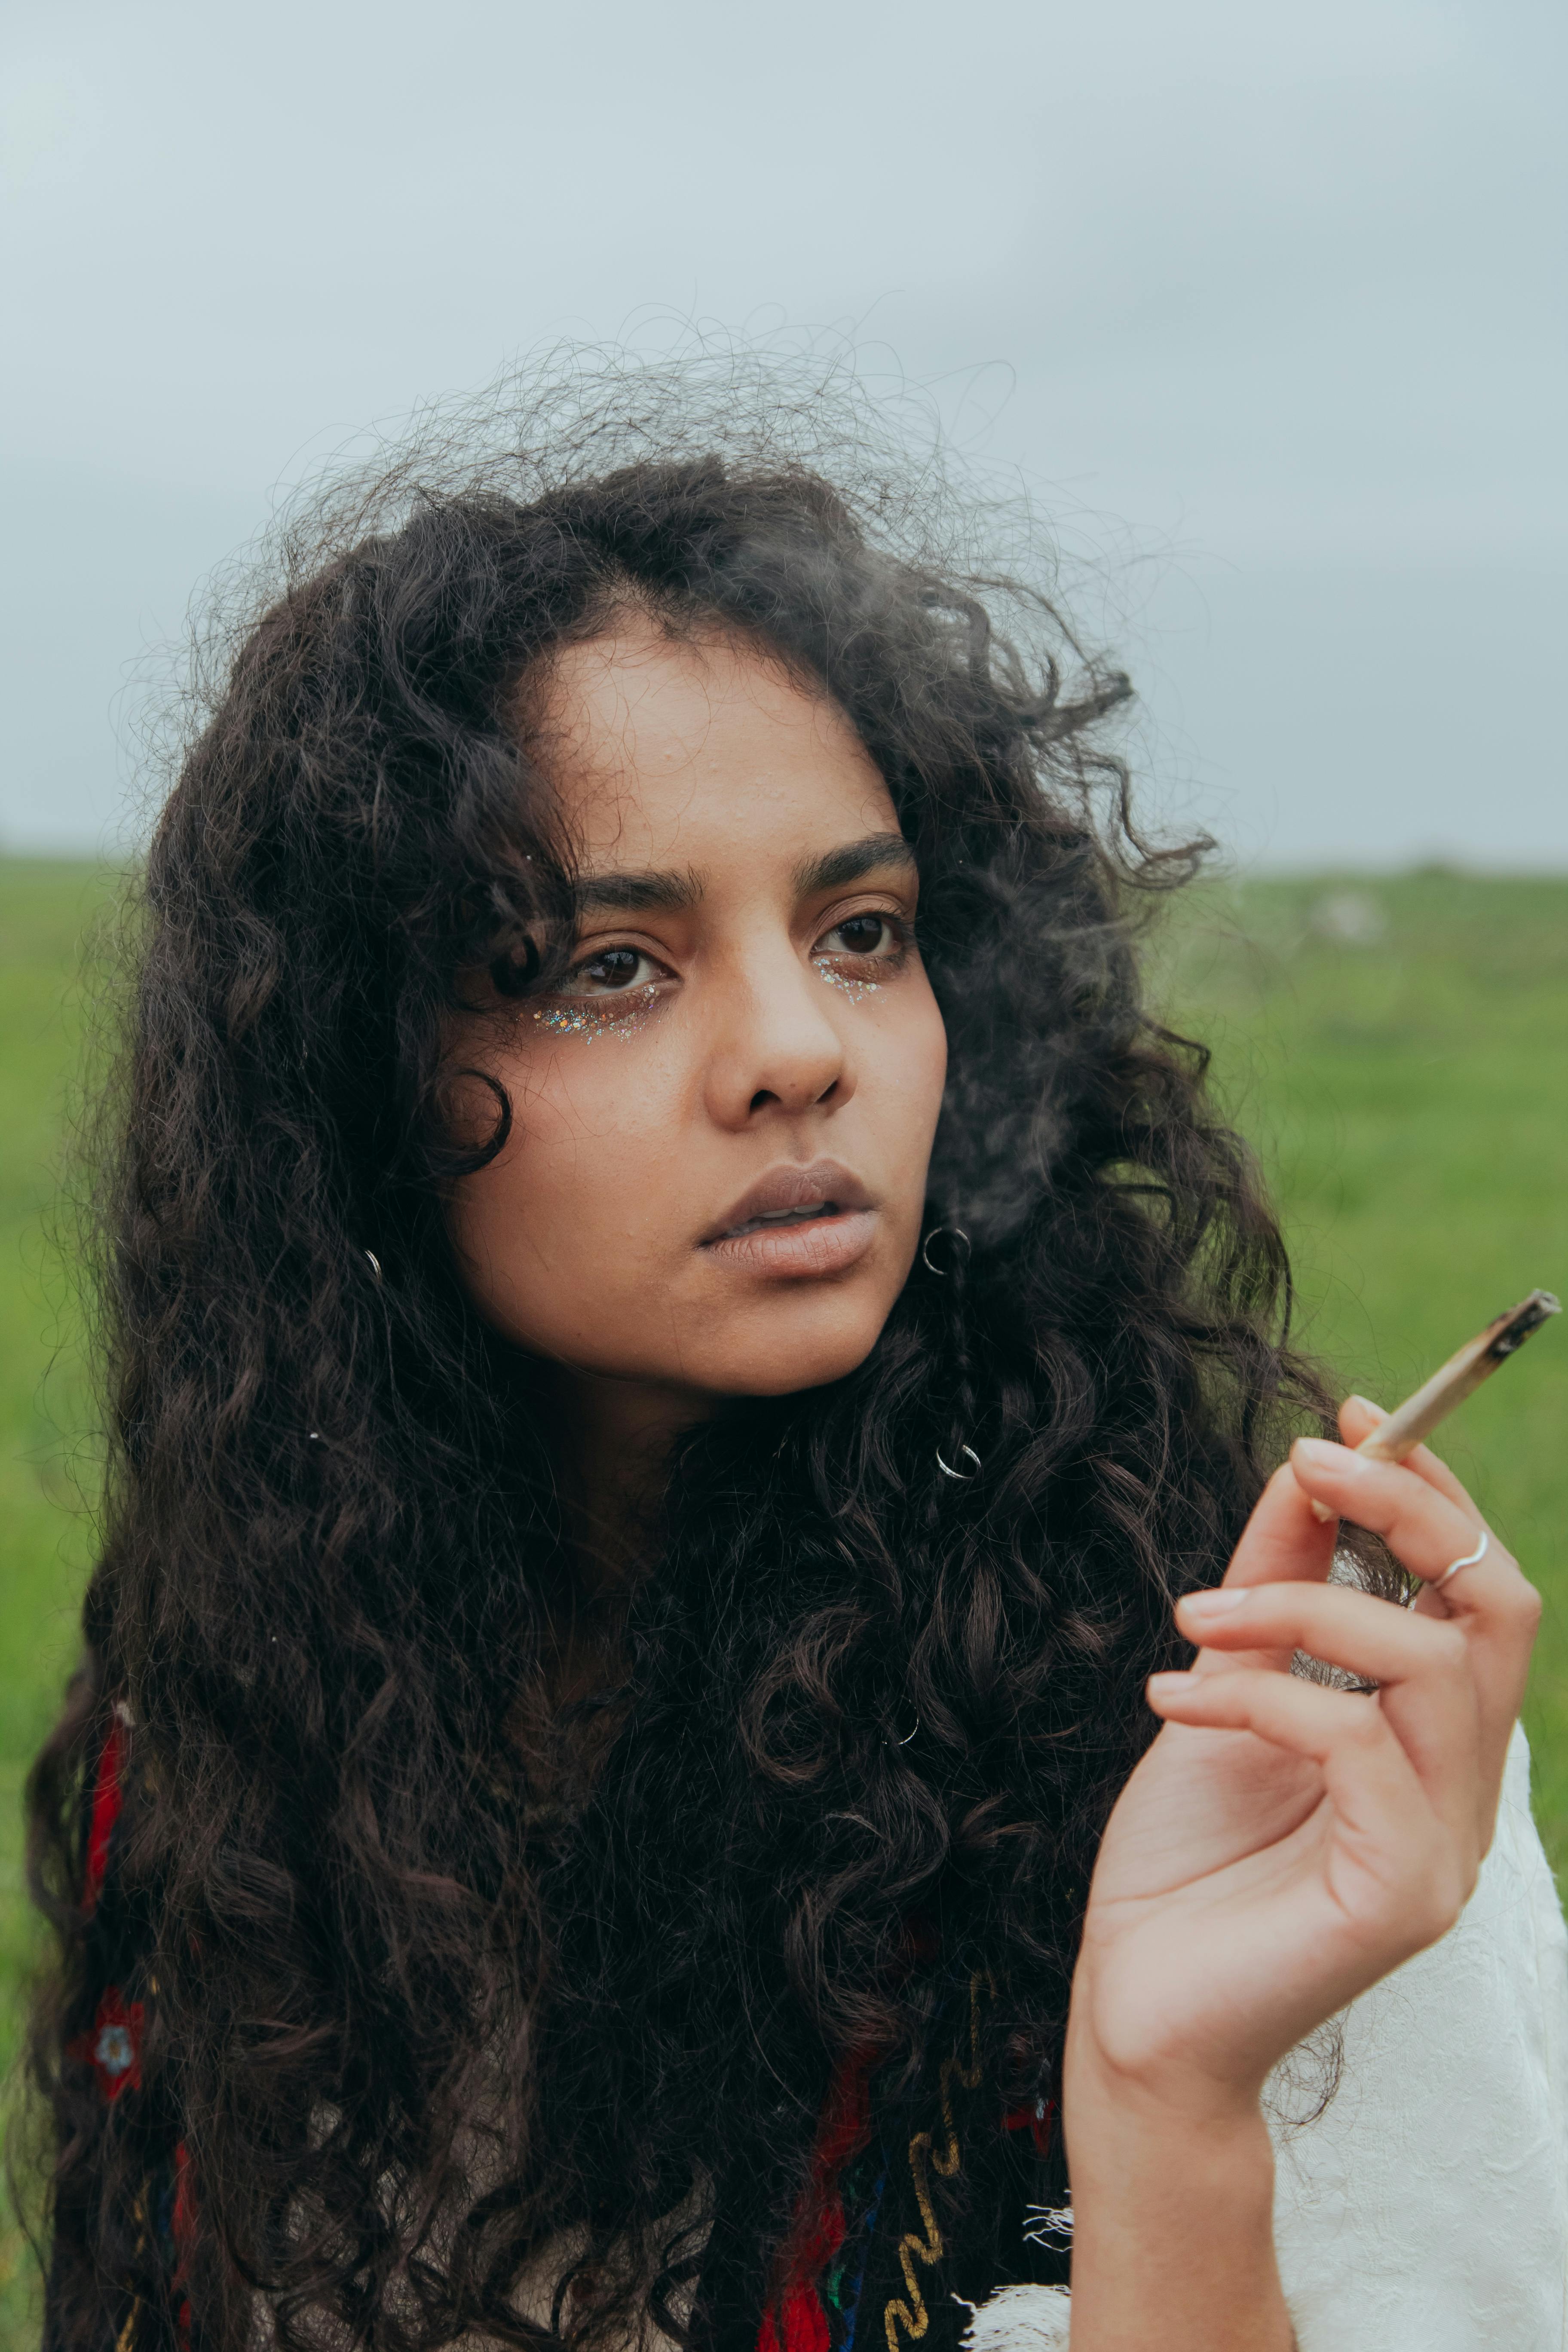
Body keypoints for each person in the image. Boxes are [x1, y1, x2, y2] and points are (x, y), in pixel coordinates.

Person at [20, 359, 1566, 2352]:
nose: (802, 1049)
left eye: (863, 931)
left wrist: (1173, 2109)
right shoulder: (245, 1705)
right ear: (358, 1089)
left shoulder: (1267, 1731)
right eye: (609, 968)